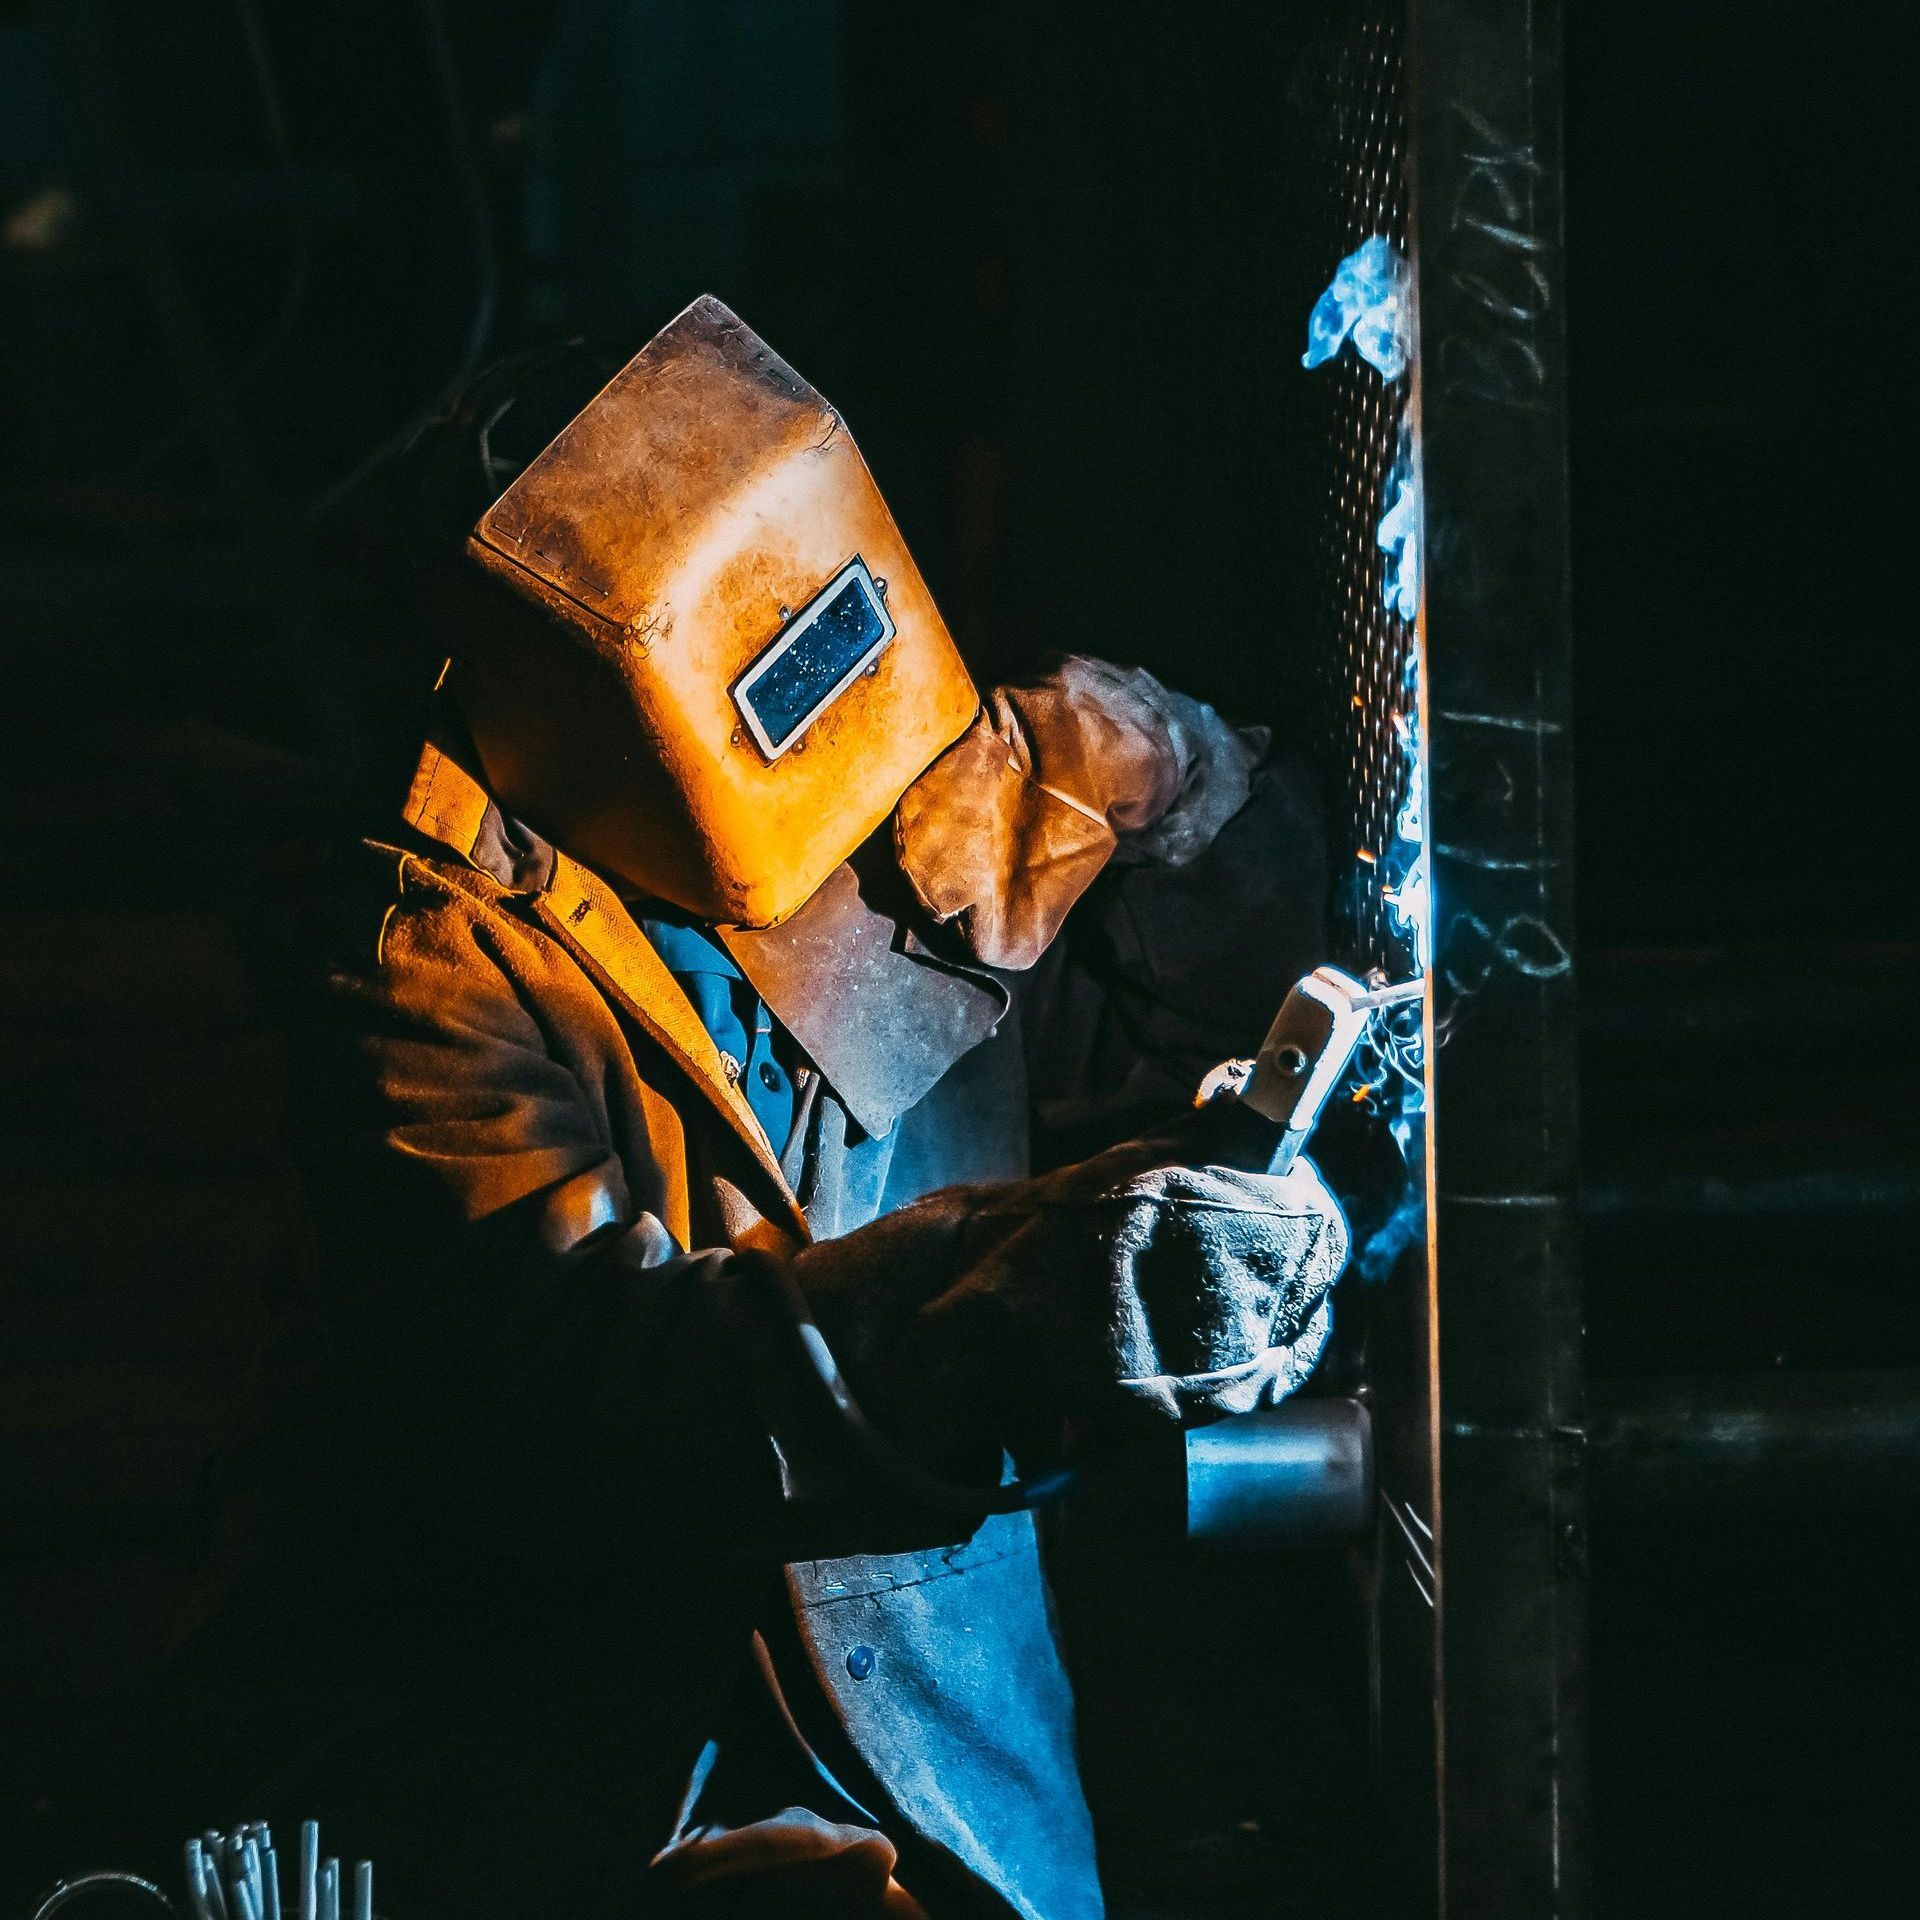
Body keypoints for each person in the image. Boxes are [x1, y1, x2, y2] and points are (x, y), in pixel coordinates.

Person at [160, 299, 1347, 1920]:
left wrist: (1189, 815)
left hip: (923, 1722)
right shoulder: (424, 958)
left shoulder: (879, 768)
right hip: (578, 1756)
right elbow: (591, 1381)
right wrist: (1022, 1285)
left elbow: (1151, 1044)